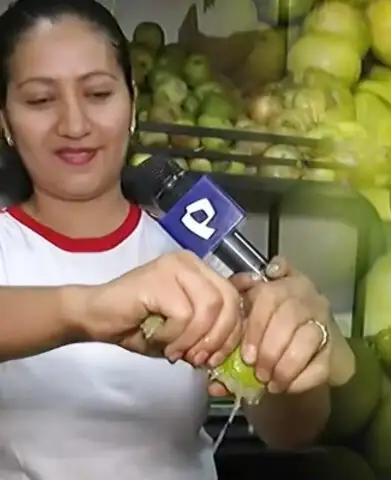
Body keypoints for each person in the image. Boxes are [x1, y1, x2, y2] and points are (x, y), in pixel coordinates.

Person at [0, 0, 356, 478]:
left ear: (131, 103)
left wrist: (292, 360)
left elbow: (290, 433)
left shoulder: (194, 247)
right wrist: (85, 309)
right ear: (4, 120)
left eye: (99, 94)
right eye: (41, 100)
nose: (75, 124)